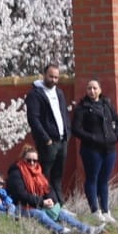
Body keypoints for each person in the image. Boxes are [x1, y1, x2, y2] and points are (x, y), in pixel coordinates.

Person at [7, 146, 103, 234]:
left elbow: (48, 189)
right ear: (23, 159)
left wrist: (51, 200)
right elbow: (20, 194)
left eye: (34, 160)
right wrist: (41, 202)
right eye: (29, 160)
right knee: (40, 214)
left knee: (61, 213)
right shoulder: (16, 172)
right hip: (22, 206)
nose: (32, 163)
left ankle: (87, 229)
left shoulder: (38, 172)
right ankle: (61, 231)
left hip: (38, 204)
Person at [70, 78, 118, 224]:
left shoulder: (107, 104)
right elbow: (76, 129)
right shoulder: (82, 108)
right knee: (92, 179)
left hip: (109, 148)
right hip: (91, 150)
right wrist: (92, 138)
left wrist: (117, 135)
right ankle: (95, 210)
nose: (92, 91)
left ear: (100, 90)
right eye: (89, 88)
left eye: (94, 88)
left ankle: (106, 211)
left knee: (104, 180)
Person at [24, 64, 71, 197]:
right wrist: (46, 139)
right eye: (51, 76)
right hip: (48, 142)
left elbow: (64, 114)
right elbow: (34, 119)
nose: (54, 80)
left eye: (56, 77)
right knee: (44, 174)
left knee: (58, 175)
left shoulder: (59, 92)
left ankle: (59, 204)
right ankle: (45, 201)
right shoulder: (35, 94)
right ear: (44, 75)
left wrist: (68, 133)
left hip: (62, 140)